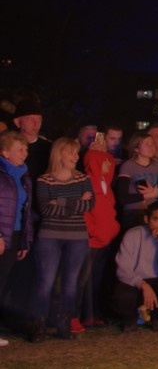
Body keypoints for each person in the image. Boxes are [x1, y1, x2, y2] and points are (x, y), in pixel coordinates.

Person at [32, 138, 95, 340]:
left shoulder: (82, 179)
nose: (75, 157)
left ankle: (64, 325)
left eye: (76, 152)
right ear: (59, 154)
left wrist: (59, 201)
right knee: (46, 281)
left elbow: (89, 205)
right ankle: (39, 325)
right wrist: (76, 202)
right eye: (71, 152)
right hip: (50, 236)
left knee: (70, 283)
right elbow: (45, 209)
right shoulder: (44, 180)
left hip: (77, 237)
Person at [113, 203, 158, 332]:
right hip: (136, 280)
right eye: (157, 219)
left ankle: (157, 319)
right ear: (147, 219)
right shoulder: (132, 235)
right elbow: (123, 270)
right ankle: (130, 320)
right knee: (123, 293)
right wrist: (143, 284)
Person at [78, 131, 121, 328]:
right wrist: (94, 231)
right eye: (105, 161)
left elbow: (110, 209)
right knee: (84, 280)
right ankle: (80, 315)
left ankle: (93, 313)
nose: (109, 165)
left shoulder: (105, 185)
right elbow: (85, 212)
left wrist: (112, 229)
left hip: (104, 239)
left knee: (96, 279)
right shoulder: (87, 184)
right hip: (92, 240)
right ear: (96, 162)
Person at [0, 131, 34, 346]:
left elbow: (26, 211)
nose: (24, 153)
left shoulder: (23, 176)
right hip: (2, 235)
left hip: (15, 234)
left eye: (26, 149)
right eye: (19, 149)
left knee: (3, 283)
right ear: (5, 153)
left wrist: (24, 240)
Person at [115, 134, 158, 230]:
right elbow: (123, 197)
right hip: (134, 212)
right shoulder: (128, 166)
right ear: (136, 149)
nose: (151, 147)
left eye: (152, 144)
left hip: (156, 212)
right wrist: (149, 195)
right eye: (146, 144)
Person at [12, 97, 51, 182]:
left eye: (39, 119)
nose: (36, 123)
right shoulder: (7, 147)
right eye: (30, 119)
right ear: (17, 122)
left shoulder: (49, 149)